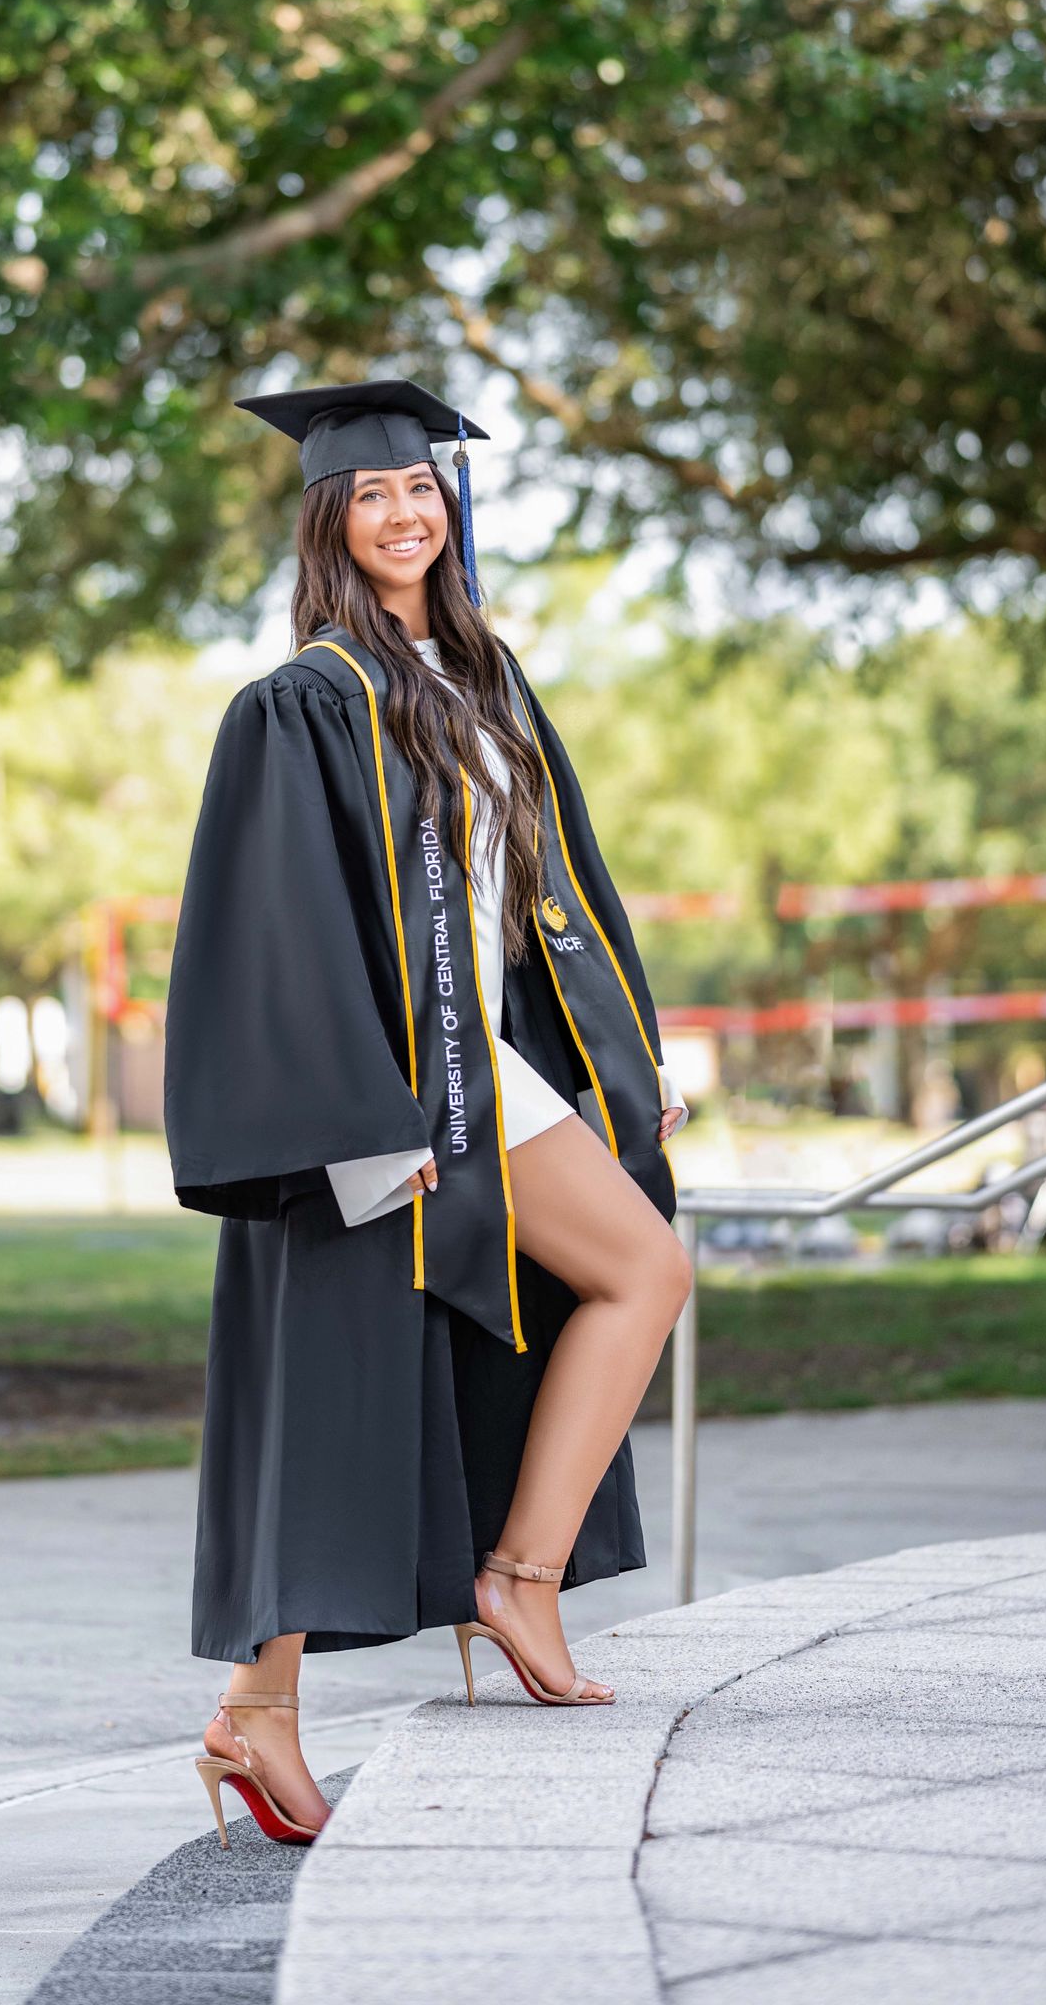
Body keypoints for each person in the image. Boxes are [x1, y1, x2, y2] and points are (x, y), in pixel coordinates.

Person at [165, 380, 691, 1848]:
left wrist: (620, 1063)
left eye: (423, 489)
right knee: (332, 1384)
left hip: (489, 1075)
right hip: (382, 1094)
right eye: (372, 496)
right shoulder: (306, 704)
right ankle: (259, 1712)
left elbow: (550, 895)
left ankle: (515, 1573)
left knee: (637, 1270)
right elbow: (278, 926)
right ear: (331, 524)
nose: (406, 513)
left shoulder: (485, 679)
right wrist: (357, 1116)